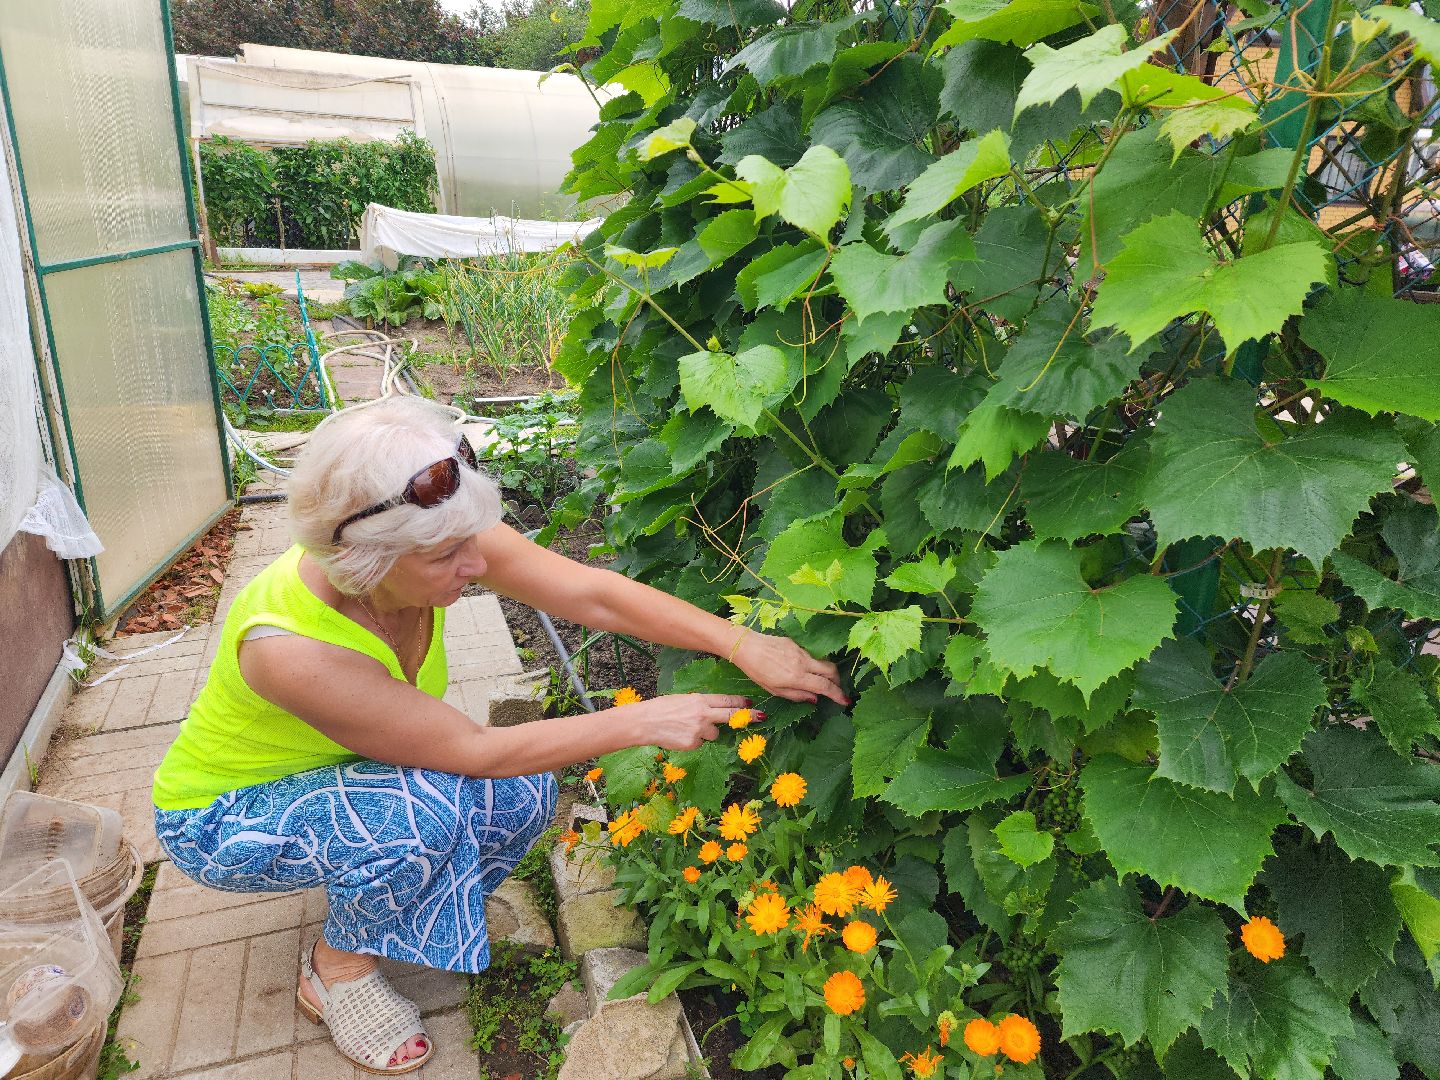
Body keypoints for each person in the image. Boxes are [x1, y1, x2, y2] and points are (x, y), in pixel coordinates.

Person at [150, 396, 847, 1074]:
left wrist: (738, 643)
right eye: (450, 557)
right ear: (368, 563)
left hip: (342, 770)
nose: (478, 566)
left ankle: (394, 898)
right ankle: (338, 967)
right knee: (426, 817)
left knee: (521, 796)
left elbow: (591, 595)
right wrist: (645, 719)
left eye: (472, 542)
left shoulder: (430, 530)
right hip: (223, 815)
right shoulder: (290, 649)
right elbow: (475, 753)